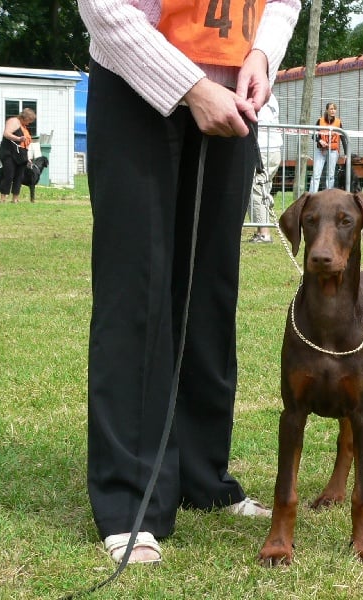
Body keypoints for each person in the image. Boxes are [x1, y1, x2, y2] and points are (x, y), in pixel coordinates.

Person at [78, 0, 300, 565]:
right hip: (136, 80)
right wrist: (190, 87)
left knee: (211, 292)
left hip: (235, 95)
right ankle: (132, 501)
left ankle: (203, 476)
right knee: (139, 289)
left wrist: (262, 55)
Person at [248, 94, 282, 243]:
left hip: (263, 148)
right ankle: (262, 231)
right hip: (274, 149)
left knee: (257, 190)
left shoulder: (257, 95)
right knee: (264, 189)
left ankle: (264, 233)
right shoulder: (271, 96)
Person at [0, 108, 35, 203]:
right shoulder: (14, 121)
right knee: (9, 175)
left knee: (19, 176)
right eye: (29, 121)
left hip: (21, 154)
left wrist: (27, 158)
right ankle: (3, 198)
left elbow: (25, 144)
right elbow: (6, 134)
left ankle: (15, 198)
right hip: (9, 152)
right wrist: (18, 138)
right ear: (24, 117)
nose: (29, 123)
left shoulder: (24, 127)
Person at [309, 103, 346, 192]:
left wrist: (346, 153)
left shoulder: (338, 122)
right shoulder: (320, 121)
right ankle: (311, 195)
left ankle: (329, 195)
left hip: (333, 151)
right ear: (327, 110)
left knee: (330, 175)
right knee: (316, 174)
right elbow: (313, 135)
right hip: (321, 151)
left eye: (334, 109)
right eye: (331, 109)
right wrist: (320, 141)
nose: (333, 111)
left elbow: (343, 137)